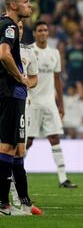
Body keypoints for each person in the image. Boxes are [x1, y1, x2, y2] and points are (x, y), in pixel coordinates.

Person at [0, 0, 38, 215]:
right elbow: (4, 54)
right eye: (25, 1)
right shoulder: (10, 26)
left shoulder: (4, 24)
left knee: (13, 147)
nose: (29, 5)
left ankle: (20, 201)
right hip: (10, 92)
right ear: (13, 5)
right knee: (9, 146)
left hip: (8, 93)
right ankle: (4, 203)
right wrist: (20, 77)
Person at [25, 20, 77, 188]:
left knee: (55, 138)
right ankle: (14, 172)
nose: (43, 33)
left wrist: (60, 104)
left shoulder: (54, 53)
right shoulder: (28, 51)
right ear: (34, 33)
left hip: (49, 103)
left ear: (48, 33)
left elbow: (57, 79)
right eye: (39, 30)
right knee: (28, 141)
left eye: (45, 30)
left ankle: (63, 178)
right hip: (32, 102)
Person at [8, 19, 43, 215]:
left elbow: (35, 77)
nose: (19, 31)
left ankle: (19, 201)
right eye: (16, 28)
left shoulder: (28, 52)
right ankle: (16, 200)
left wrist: (26, 82)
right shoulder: (4, 48)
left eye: (21, 28)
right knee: (10, 150)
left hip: (24, 105)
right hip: (7, 103)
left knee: (19, 150)